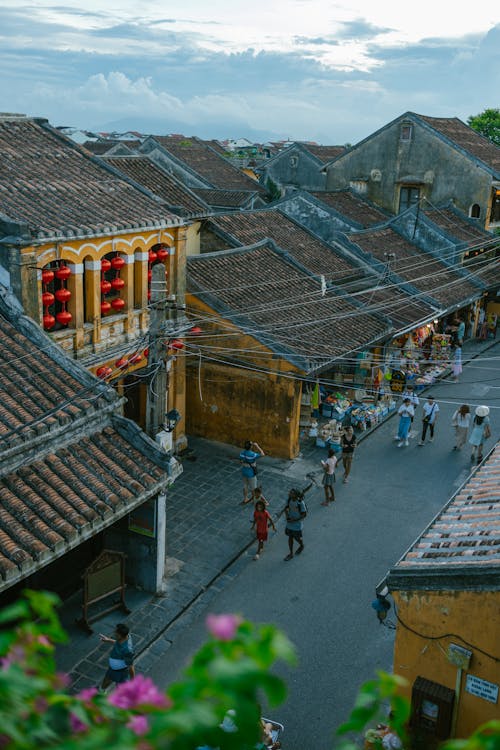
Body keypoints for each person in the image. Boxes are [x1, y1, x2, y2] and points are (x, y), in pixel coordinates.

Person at [99, 623, 135, 691]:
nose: (114, 633)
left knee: (120, 687)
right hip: (113, 669)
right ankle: (101, 691)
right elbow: (118, 643)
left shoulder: (127, 651)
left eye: (116, 633)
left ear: (120, 636)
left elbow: (131, 667)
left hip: (119, 672)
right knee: (107, 679)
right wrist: (108, 640)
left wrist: (133, 681)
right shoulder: (125, 637)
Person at [284, 488, 307, 561]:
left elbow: (304, 514)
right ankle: (291, 553)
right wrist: (287, 516)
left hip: (297, 524)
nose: (290, 494)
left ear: (296, 495)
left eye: (292, 493)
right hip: (290, 523)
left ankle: (301, 545)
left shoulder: (300, 503)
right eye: (290, 492)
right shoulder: (289, 500)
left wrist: (295, 520)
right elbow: (286, 509)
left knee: (297, 538)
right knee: (290, 537)